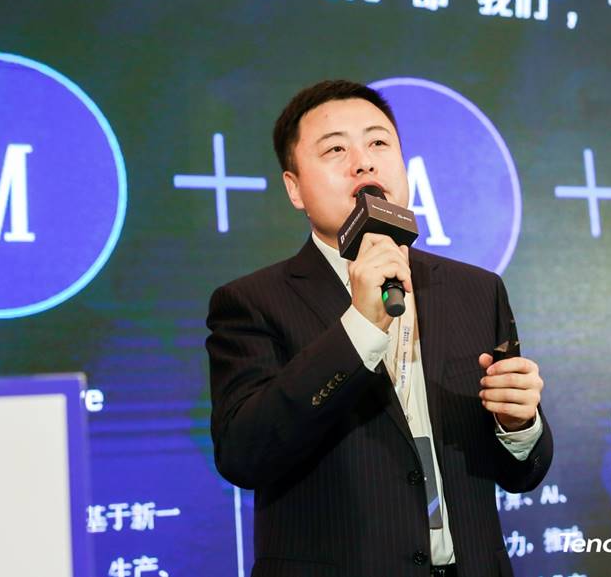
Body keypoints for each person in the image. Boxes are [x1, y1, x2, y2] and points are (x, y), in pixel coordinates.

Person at [206, 80, 553, 577]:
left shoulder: (476, 290)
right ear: (294, 188)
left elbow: (522, 473)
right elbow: (244, 454)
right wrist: (360, 328)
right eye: (335, 149)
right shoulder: (252, 302)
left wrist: (517, 424)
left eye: (378, 142)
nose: (363, 163)